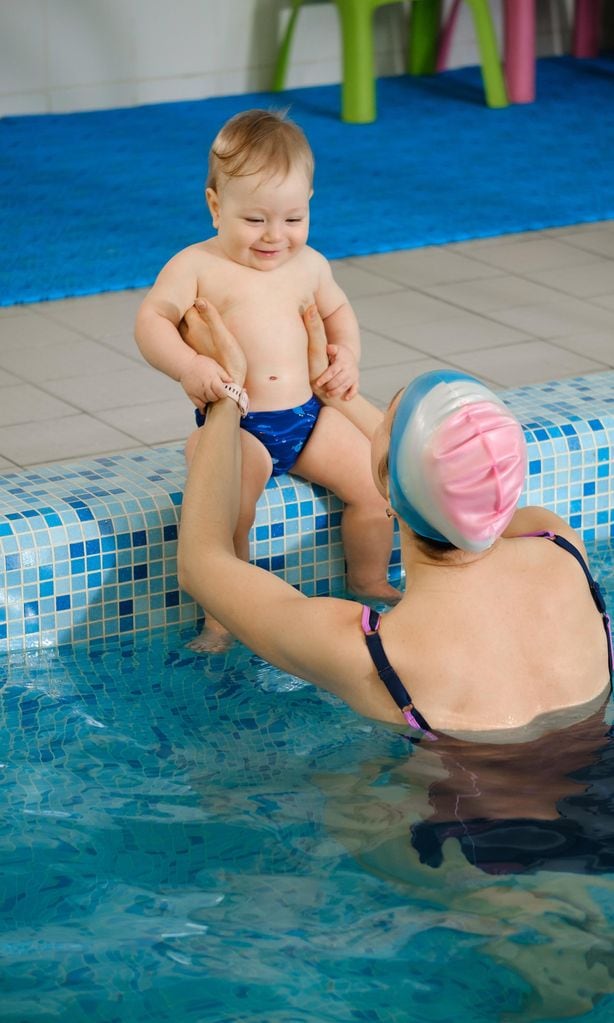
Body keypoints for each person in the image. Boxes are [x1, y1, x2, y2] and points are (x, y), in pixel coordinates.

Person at [176, 297, 612, 742]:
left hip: (468, 812)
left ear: (389, 493)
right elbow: (463, 484)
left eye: (386, 420)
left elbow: (202, 560)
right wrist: (340, 402)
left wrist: (227, 395)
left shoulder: (369, 650)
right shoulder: (557, 542)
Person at [134, 108, 397, 649]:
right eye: (255, 220)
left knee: (376, 486)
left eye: (293, 219)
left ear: (308, 208)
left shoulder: (311, 265)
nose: (275, 236)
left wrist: (346, 353)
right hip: (238, 425)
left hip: (308, 418)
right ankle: (224, 616)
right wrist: (191, 365)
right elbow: (151, 321)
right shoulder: (197, 265)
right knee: (231, 509)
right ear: (215, 206)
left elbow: (339, 312)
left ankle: (367, 579)